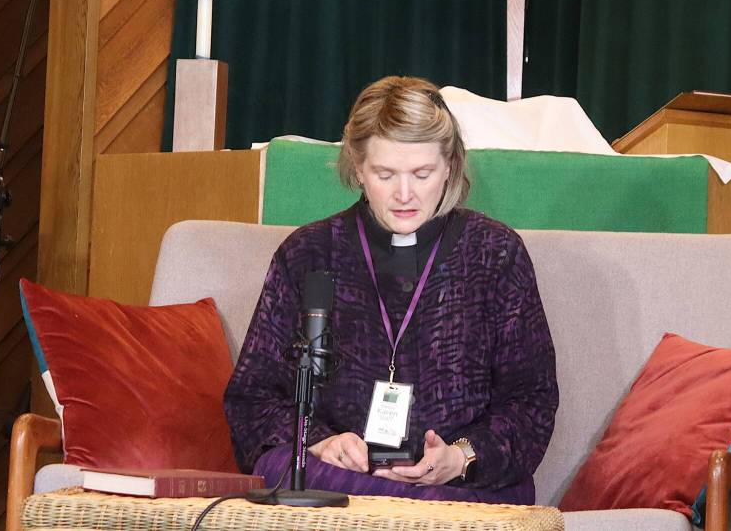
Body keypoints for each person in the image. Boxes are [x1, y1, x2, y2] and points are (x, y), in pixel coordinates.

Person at [223, 76, 558, 504]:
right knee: (283, 470)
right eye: (385, 174)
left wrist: (461, 457)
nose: (404, 194)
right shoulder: (307, 253)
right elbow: (251, 399)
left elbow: (532, 403)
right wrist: (321, 443)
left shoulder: (496, 253)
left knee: (487, 497)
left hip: (456, 489)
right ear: (358, 168)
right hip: (338, 480)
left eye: (422, 174)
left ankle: (400, 507)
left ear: (450, 166)